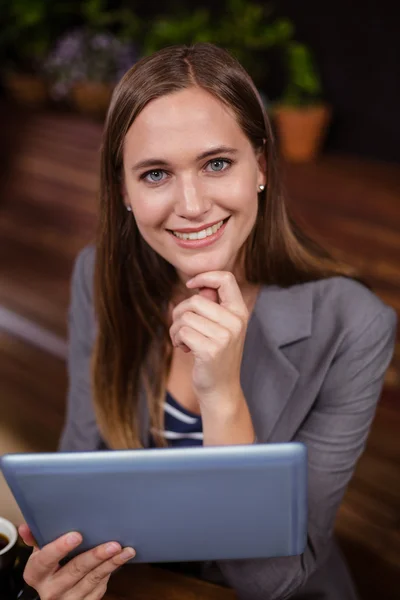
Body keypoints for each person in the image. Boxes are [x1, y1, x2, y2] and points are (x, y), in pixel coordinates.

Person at [19, 43, 397, 600]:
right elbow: (82, 467)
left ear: (261, 167)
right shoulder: (96, 274)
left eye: (217, 163)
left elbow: (270, 580)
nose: (192, 204)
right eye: (154, 174)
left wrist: (222, 397)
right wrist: (59, 565)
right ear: (124, 190)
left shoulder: (354, 323)